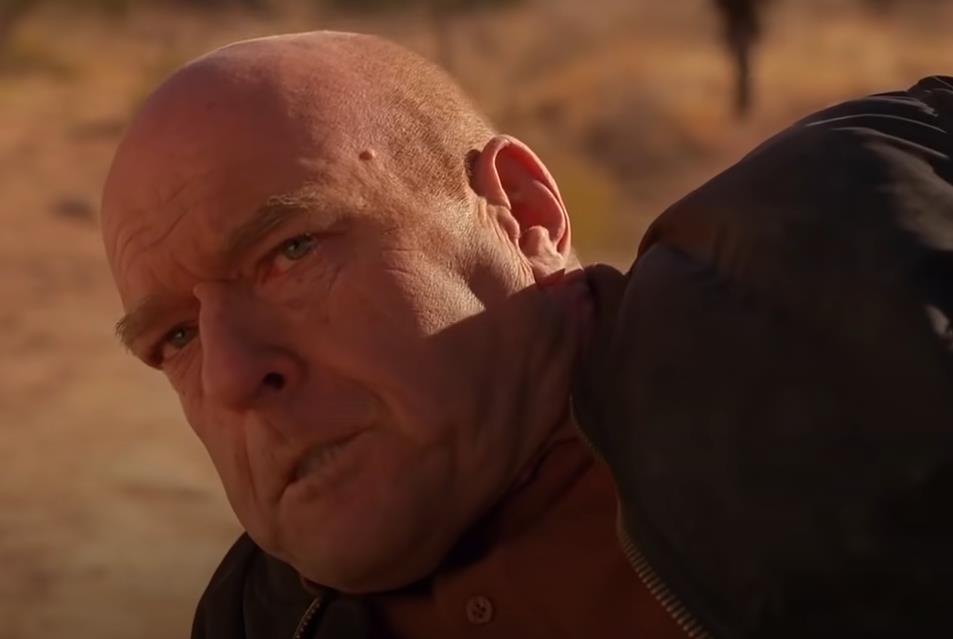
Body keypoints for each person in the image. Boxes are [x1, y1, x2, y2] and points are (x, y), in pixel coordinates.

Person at [100, 30, 953, 638]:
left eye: (291, 251)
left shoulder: (825, 276)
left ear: (523, 212)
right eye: (176, 338)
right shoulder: (255, 619)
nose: (232, 377)